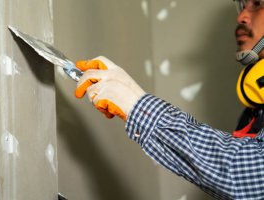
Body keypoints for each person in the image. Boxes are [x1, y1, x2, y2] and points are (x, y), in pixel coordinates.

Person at [75, 0, 264, 199]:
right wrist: (132, 95)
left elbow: (253, 175)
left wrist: (136, 104)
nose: (241, 16)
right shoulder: (253, 113)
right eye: (242, 5)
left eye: (257, 3)